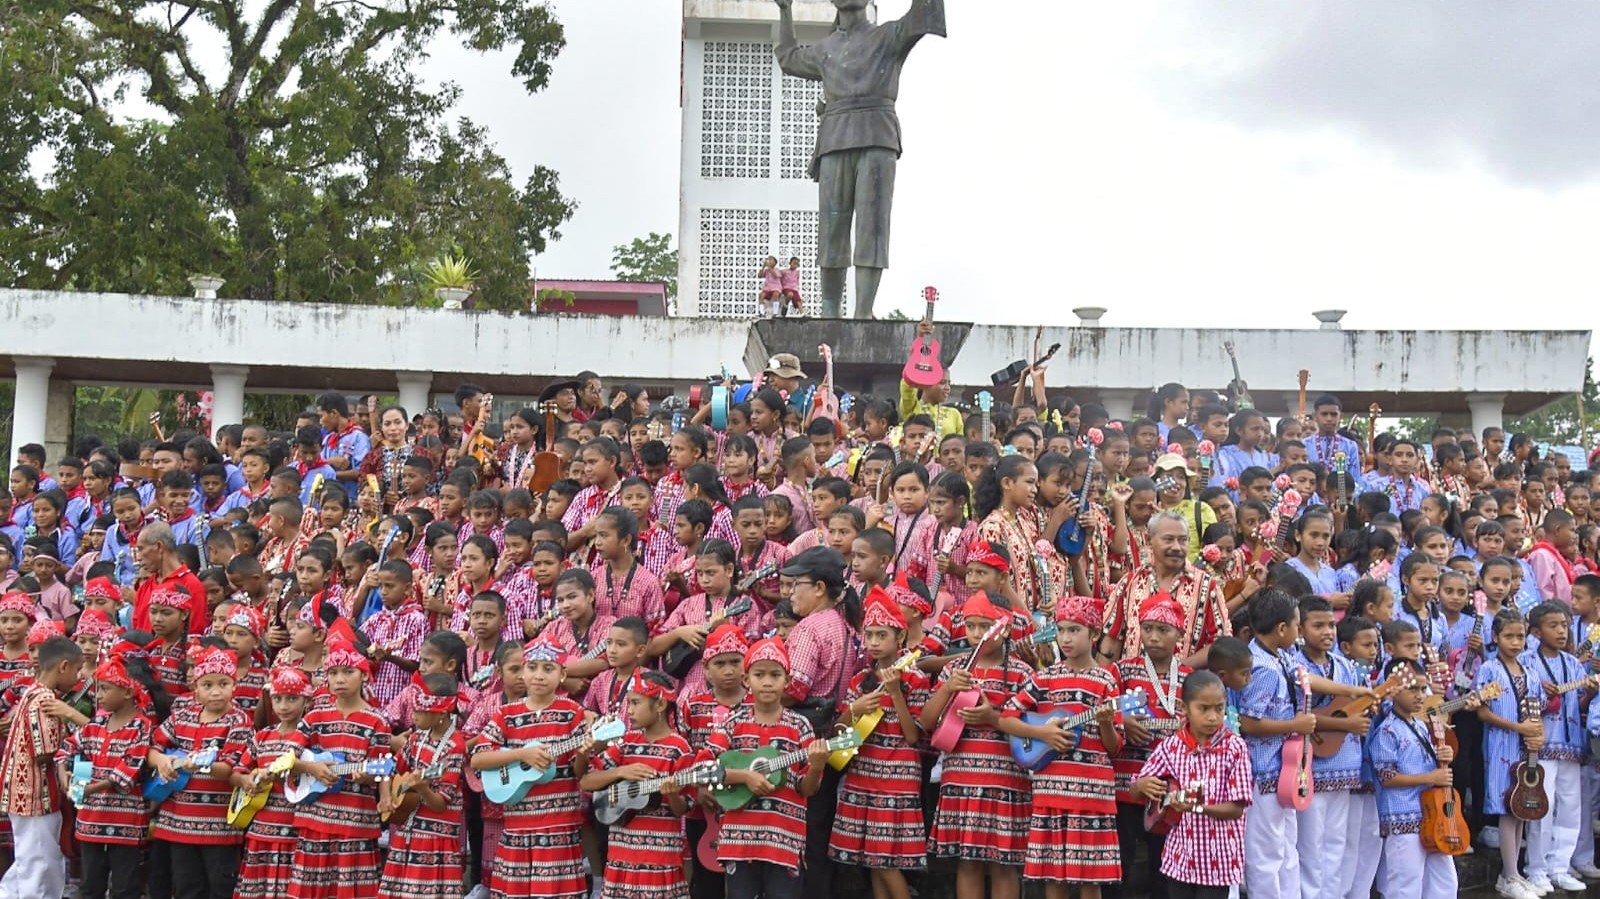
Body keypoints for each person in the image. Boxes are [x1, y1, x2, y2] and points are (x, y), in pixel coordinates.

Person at [773, 0, 946, 319]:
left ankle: (863, 312)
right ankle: (829, 311)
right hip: (836, 137)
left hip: (877, 136)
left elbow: (924, 12)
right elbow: (788, 57)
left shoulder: (888, 35)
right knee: (832, 229)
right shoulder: (826, 48)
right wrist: (785, 10)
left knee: (873, 227)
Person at [997, 595, 1122, 898]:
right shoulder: (1046, 677)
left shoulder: (1106, 681)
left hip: (1091, 793)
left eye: (1075, 630)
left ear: (1094, 635)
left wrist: (1104, 721)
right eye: (1061, 629)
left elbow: (1114, 747)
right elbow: (1007, 719)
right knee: (1054, 876)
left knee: (1090, 879)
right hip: (1051, 790)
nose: (1065, 638)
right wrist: (1040, 735)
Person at [1130, 669, 1252, 899]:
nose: (1213, 717)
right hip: (1180, 858)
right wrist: (1143, 785)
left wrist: (1196, 807)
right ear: (1184, 709)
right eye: (1203, 709)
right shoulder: (1172, 746)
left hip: (1219, 861)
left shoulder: (1235, 748)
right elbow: (1135, 790)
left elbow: (1237, 809)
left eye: (1219, 708)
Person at [580, 670, 694, 899]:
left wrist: (671, 794)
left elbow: (683, 807)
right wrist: (622, 771)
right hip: (621, 853)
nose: (629, 710)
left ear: (660, 705)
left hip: (659, 857)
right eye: (628, 703)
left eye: (635, 702)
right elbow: (587, 781)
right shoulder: (627, 742)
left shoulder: (679, 748)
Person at [0, 635, 79, 899]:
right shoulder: (45, 700)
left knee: (29, 861)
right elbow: (44, 752)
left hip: (25, 794)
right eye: (77, 670)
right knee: (39, 864)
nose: (78, 677)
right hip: (35, 795)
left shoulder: (31, 692)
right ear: (64, 666)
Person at [1102, 512, 1230, 666]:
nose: (1176, 547)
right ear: (1150, 541)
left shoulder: (1207, 585)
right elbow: (1113, 637)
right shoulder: (1130, 582)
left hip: (1184, 686)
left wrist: (1177, 671)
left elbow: (1221, 643)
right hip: (1132, 685)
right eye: (1168, 539)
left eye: (1182, 540)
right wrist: (1106, 682)